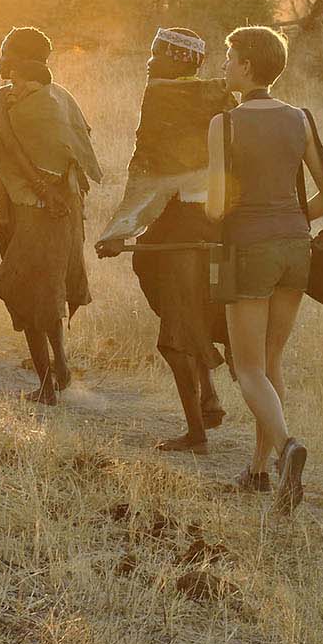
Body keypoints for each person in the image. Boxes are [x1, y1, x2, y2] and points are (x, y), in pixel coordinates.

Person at [206, 26, 323, 515]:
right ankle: (259, 471)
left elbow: (219, 207)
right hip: (296, 248)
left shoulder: (224, 124)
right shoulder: (301, 119)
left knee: (246, 367)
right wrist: (289, 220)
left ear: (247, 66)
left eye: (229, 56)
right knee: (270, 362)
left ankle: (286, 448)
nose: (224, 65)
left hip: (248, 249)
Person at [94, 27, 237, 454]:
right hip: (219, 221)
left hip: (178, 223)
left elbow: (149, 174)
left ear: (179, 60)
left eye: (157, 54)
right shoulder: (224, 98)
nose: (149, 62)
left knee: (175, 329)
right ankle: (208, 394)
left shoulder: (160, 97)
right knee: (198, 310)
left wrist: (119, 231)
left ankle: (195, 433)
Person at [0, 27, 102, 404]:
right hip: (54, 208)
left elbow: (23, 155)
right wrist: (51, 192)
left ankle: (48, 385)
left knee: (29, 291)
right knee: (46, 291)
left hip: (41, 209)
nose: (0, 60)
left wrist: (42, 191)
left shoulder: (18, 101)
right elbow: (79, 152)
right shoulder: (59, 97)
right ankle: (60, 369)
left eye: (5, 52)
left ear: (20, 61)